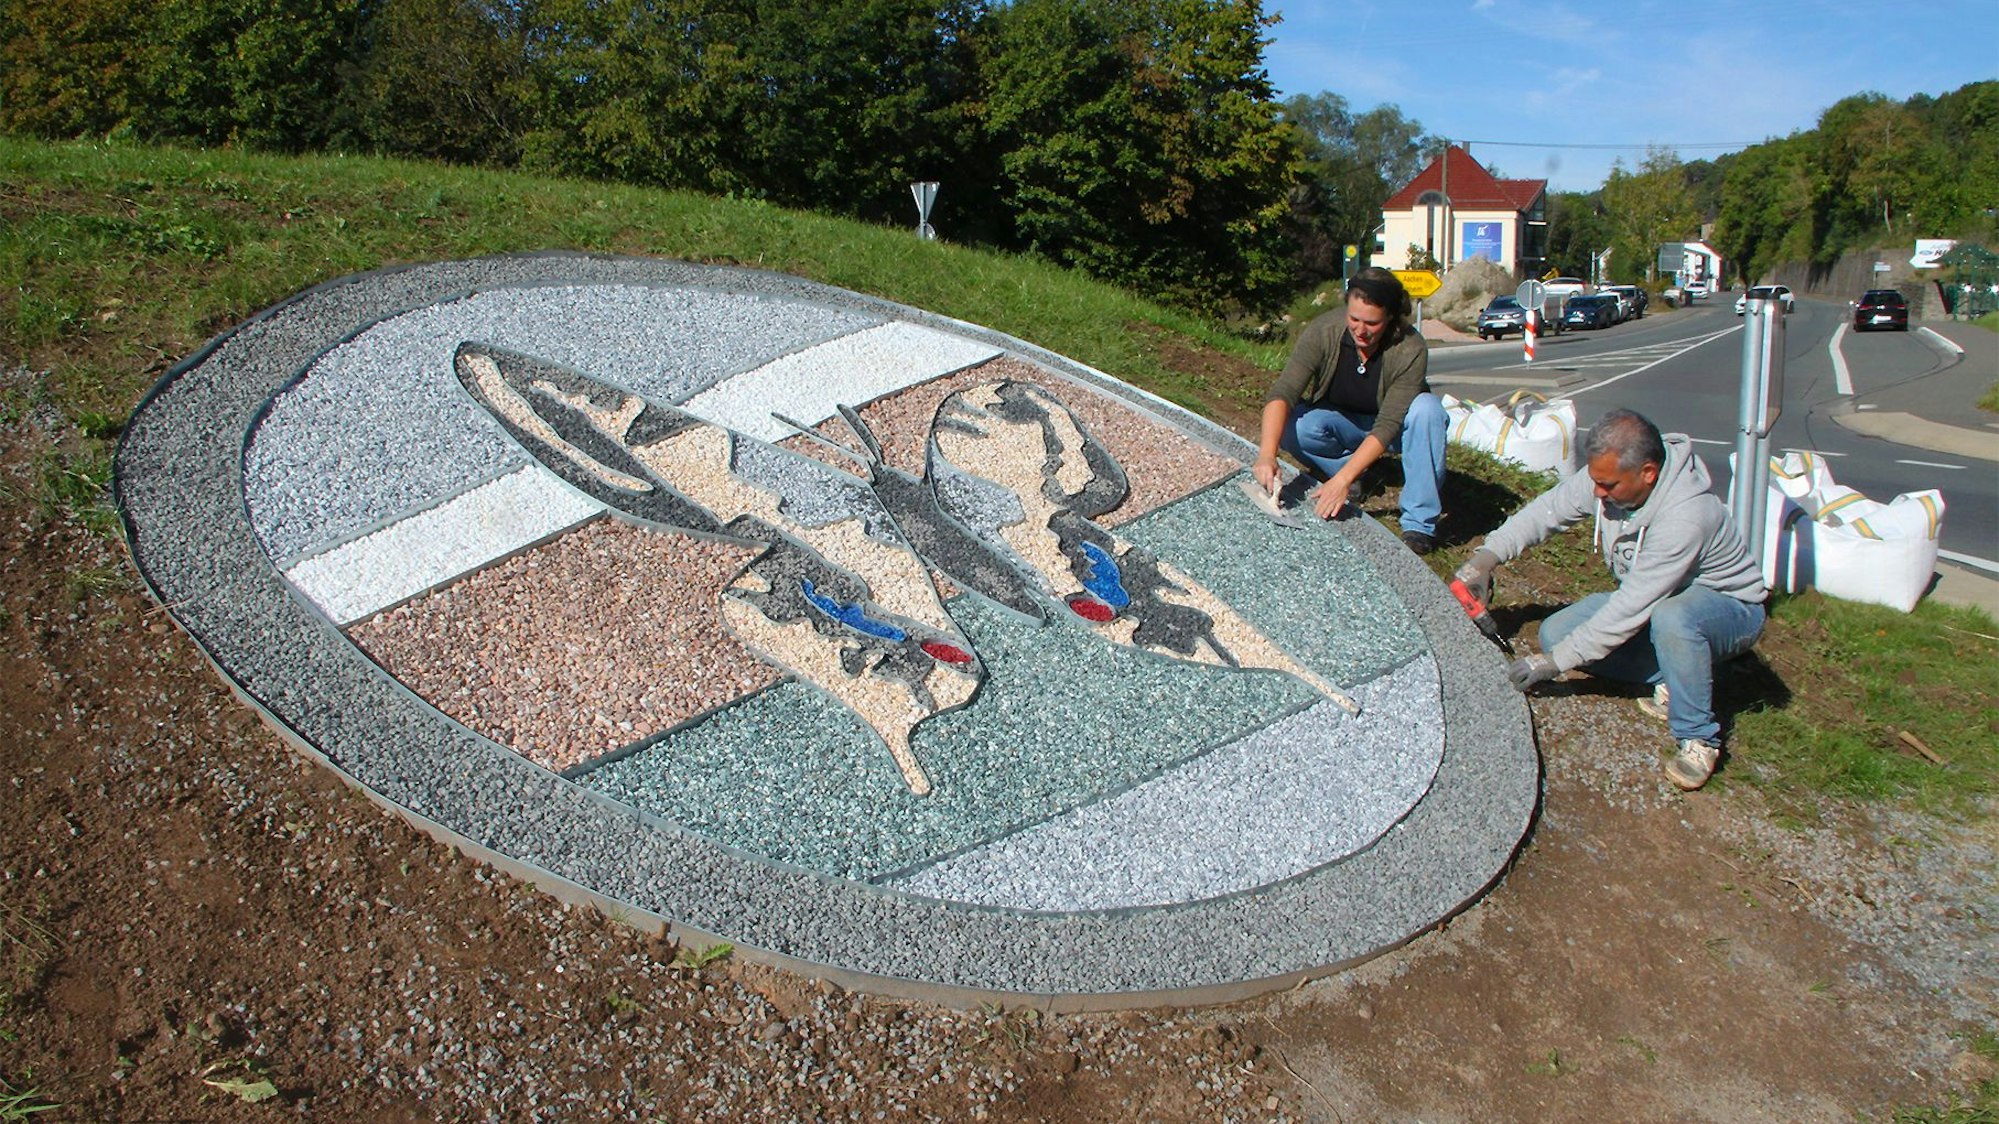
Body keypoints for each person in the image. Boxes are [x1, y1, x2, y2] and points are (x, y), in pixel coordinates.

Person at [1454, 409, 1767, 790]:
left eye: (1608, 485)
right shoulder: (1609, 476)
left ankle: (1699, 736)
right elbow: (1545, 512)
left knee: (1674, 619)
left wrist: (1554, 665)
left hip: (1727, 607)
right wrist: (1486, 559)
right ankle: (1683, 665)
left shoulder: (1684, 516)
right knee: (1558, 634)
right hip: (1660, 597)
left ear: (1648, 473)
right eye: (1595, 481)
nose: (1598, 493)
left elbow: (1631, 606)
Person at [1253, 267, 1448, 554]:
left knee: (1428, 410)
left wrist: (1339, 483)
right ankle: (1357, 475)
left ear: (1391, 318)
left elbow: (1389, 423)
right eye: (1353, 319)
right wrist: (1266, 455)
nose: (1360, 329)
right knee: (1296, 424)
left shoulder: (1411, 348)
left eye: (1372, 323)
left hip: (1394, 429)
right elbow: (1283, 393)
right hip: (1340, 421)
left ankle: (1419, 524)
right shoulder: (1323, 331)